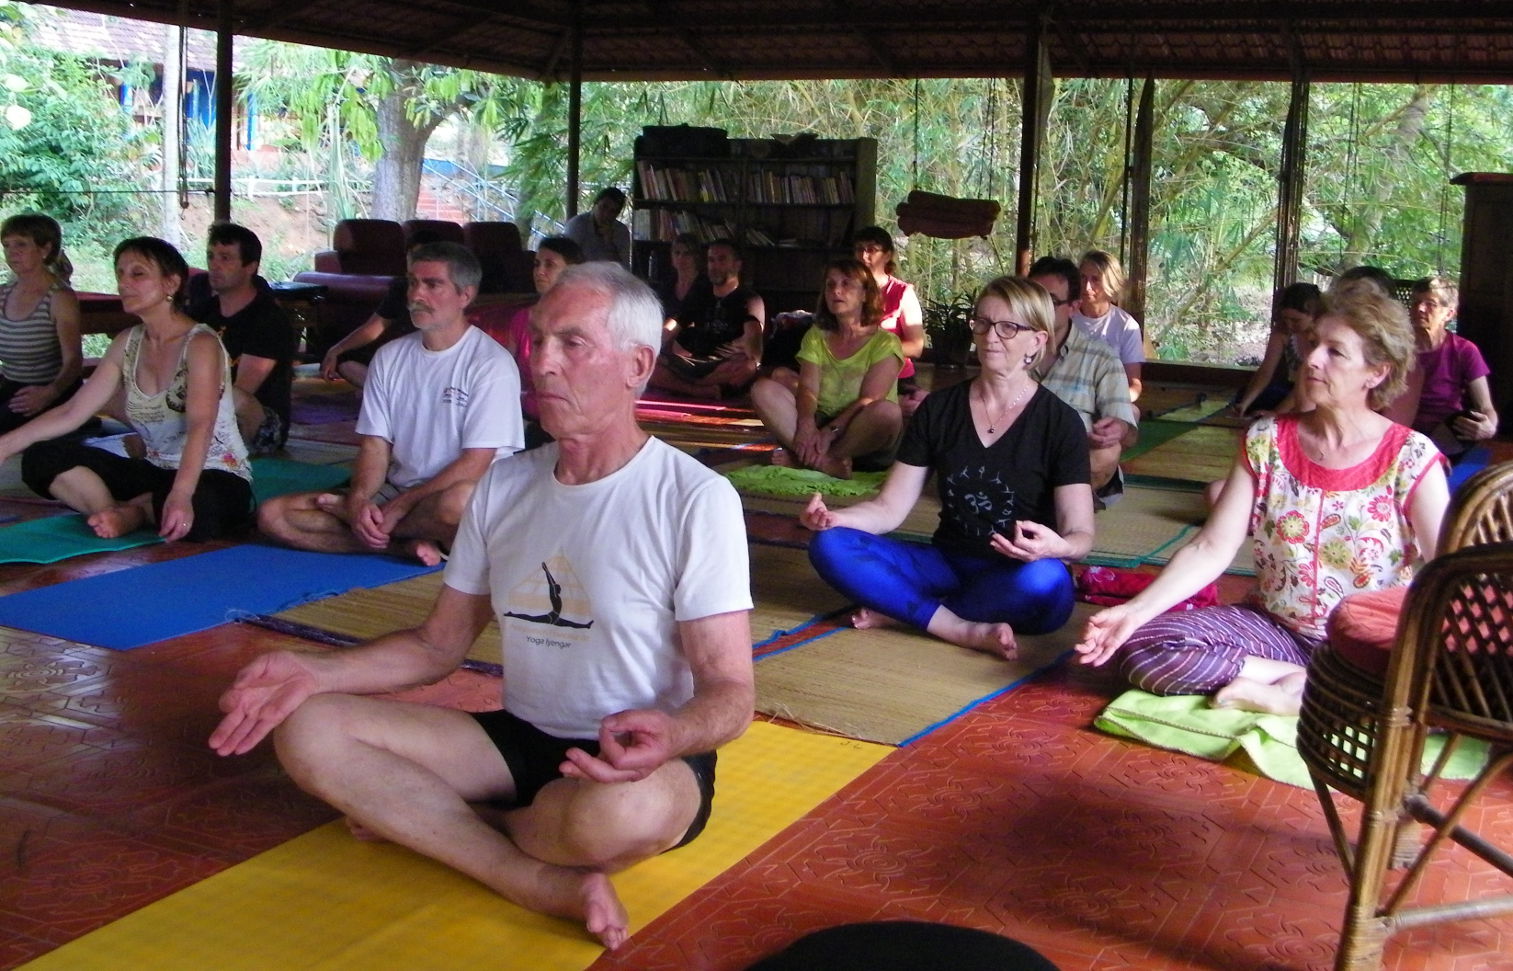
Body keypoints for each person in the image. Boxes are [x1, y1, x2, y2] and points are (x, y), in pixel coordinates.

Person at [209, 262, 754, 950]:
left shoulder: (693, 498)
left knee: (617, 817)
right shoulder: (505, 486)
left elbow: (730, 691)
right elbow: (439, 645)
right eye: (538, 341)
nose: (543, 363)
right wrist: (313, 672)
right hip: (518, 740)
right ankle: (522, 872)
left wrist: (671, 737)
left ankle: (460, 820)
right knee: (307, 727)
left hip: (636, 763)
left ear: (636, 365)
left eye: (572, 344)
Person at [1075, 284, 1450, 715]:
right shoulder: (1267, 440)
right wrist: (1134, 613)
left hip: (1371, 647)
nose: (1311, 359)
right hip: (1276, 635)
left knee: (1436, 683)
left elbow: (1445, 577)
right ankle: (1306, 686)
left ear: (1376, 372)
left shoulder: (1411, 457)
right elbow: (1211, 547)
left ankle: (1309, 689)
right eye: (1312, 343)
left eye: (1335, 352)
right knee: (1143, 647)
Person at [800, 276, 1093, 657]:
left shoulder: (1060, 422)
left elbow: (1081, 534)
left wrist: (1059, 546)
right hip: (943, 563)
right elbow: (889, 509)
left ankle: (908, 611)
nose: (990, 337)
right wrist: (835, 520)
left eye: (1008, 327)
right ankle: (957, 627)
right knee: (829, 545)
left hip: (1014, 573)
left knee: (1048, 581)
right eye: (983, 323)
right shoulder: (939, 409)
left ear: (1036, 341)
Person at [257, 242, 522, 564]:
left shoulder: (490, 363)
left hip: (457, 494)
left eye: (432, 284)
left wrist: (402, 505)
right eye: (412, 282)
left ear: (465, 295)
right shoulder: (390, 357)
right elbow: (375, 446)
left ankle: (400, 530)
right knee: (274, 515)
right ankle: (406, 544)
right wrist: (358, 501)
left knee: (460, 503)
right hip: (399, 490)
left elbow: (476, 463)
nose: (416, 295)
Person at [0, 237, 253, 541]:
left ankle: (137, 513)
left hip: (211, 474)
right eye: (120, 273)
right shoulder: (127, 342)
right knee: (41, 457)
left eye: (138, 274)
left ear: (171, 283)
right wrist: (6, 445)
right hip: (153, 470)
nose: (123, 283)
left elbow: (201, 423)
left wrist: (181, 494)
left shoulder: (200, 343)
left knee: (204, 508)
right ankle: (107, 511)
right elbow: (74, 410)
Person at [750, 259, 902, 479]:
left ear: (865, 295)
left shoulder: (885, 342)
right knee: (762, 390)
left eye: (846, 284)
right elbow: (808, 388)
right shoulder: (816, 335)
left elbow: (868, 400)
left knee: (888, 412)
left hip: (863, 436)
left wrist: (830, 433)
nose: (836, 291)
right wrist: (806, 424)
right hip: (820, 426)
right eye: (830, 285)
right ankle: (823, 462)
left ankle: (813, 459)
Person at [1028, 256, 1137, 498]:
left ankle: (1065, 501)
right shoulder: (1008, 349)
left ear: (1073, 307)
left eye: (1051, 301)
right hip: (1017, 454)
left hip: (1070, 464)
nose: (1038, 308)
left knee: (1107, 452)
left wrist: (1118, 427)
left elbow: (1124, 425)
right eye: (1032, 299)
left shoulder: (1103, 358)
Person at [187, 223, 296, 454]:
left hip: (258, 423)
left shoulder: (269, 320)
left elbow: (242, 391)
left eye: (225, 258)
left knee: (233, 397)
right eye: (211, 256)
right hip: (203, 409)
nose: (214, 266)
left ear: (250, 267)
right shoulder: (201, 313)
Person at [476, 236, 584, 448]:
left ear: (573, 272)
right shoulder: (522, 319)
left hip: (572, 420)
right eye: (536, 264)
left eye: (550, 265)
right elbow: (505, 371)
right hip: (527, 418)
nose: (539, 271)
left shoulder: (585, 322)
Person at [318, 229, 446, 389]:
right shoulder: (401, 288)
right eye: (412, 255)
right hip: (402, 358)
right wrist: (337, 349)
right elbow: (374, 328)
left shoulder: (448, 290)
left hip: (436, 359)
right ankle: (385, 393)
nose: (415, 262)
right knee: (346, 358)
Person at [1388, 276, 1499, 460]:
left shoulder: (1465, 350)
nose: (1420, 308)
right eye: (1415, 302)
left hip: (1445, 438)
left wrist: (1489, 427)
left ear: (1448, 314)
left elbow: (1486, 407)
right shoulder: (1395, 349)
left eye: (1430, 304)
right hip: (1400, 431)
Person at [648, 238, 764, 400]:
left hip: (724, 366)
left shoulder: (749, 299)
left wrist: (753, 363)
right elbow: (675, 324)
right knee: (648, 364)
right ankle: (700, 390)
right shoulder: (699, 294)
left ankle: (693, 386)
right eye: (711, 260)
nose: (715, 266)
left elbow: (754, 339)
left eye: (721, 260)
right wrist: (650, 345)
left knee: (745, 368)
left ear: (737, 265)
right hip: (694, 363)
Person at [0, 214, 83, 435]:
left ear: (44, 249)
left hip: (50, 389)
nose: (11, 252)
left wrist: (50, 392)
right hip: (10, 385)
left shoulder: (59, 297)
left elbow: (74, 360)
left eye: (21, 245)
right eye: (6, 245)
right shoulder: (3, 293)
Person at [852, 226, 925, 407]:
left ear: (887, 255)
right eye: (859, 249)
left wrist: (870, 348)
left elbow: (916, 347)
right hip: (851, 373)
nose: (863, 256)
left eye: (871, 250)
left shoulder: (902, 293)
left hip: (895, 378)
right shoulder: (846, 289)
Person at [1230, 282, 1322, 417]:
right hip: (1290, 389)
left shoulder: (1323, 335)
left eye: (1296, 320)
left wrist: (1276, 414)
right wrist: (1245, 403)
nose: (1289, 324)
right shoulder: (1282, 331)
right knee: (1252, 398)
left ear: (1313, 316)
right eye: (1285, 319)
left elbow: (1305, 384)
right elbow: (1266, 371)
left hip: (1313, 391)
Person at [1074, 250, 1144, 401]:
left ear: (1111, 284)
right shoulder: (1065, 317)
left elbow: (1134, 384)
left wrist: (1117, 400)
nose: (1087, 286)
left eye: (1095, 280)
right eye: (1083, 278)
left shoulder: (1126, 326)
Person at [563, 186, 631, 267]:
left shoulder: (620, 231)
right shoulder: (577, 224)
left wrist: (609, 243)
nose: (606, 214)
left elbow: (623, 268)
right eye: (603, 207)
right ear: (595, 204)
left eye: (612, 211)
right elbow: (566, 259)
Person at [655, 231, 703, 322]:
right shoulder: (667, 285)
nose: (681, 258)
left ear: (696, 257)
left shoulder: (705, 285)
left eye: (687, 253)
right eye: (677, 253)